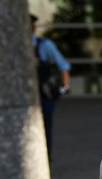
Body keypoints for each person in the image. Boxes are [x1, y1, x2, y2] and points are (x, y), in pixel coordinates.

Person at [30, 13, 71, 162]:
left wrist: (64, 87)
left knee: (46, 126)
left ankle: (45, 158)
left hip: (44, 94)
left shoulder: (44, 45)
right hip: (25, 96)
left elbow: (63, 65)